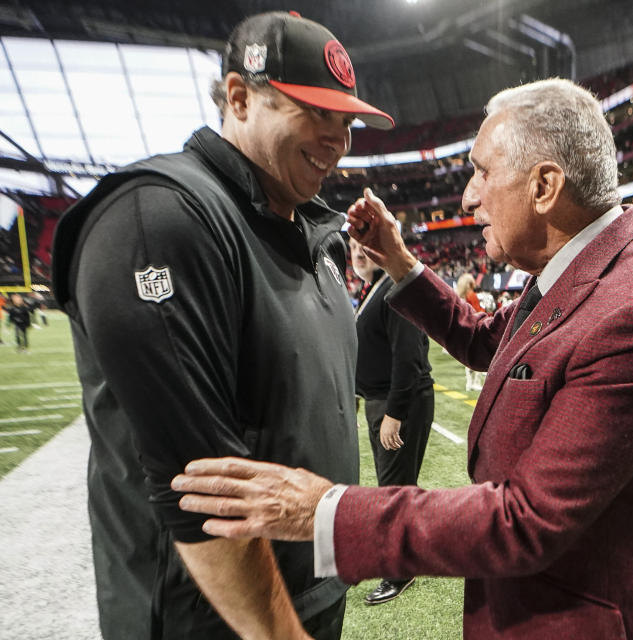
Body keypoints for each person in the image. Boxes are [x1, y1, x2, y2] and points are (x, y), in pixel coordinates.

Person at [173, 78, 633, 640]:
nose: (469, 196)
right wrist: (399, 263)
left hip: (582, 619)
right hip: (529, 601)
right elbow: (482, 340)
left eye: (482, 172)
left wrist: (323, 512)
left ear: (544, 185)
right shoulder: (576, 264)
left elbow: (527, 522)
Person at [50, 11, 394, 640]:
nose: (338, 140)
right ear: (239, 96)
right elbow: (202, 491)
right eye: (316, 113)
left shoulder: (311, 233)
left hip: (307, 593)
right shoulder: (158, 217)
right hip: (209, 618)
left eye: (345, 122)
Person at [349, 236, 434, 606]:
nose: (358, 253)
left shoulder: (395, 289)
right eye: (353, 247)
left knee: (394, 489)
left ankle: (399, 571)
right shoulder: (377, 287)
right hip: (381, 400)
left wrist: (394, 414)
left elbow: (408, 360)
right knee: (395, 485)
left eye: (365, 246)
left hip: (399, 403)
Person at [455, 272, 486, 391]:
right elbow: (478, 310)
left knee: (467, 358)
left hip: (462, 329)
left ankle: (469, 383)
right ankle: (476, 383)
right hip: (474, 327)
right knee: (479, 356)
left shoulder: (458, 296)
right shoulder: (472, 295)